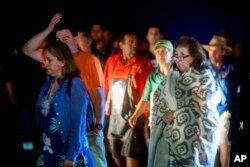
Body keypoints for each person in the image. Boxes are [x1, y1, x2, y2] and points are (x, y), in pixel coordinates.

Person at [22, 13, 107, 167]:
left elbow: (99, 96)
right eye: (58, 40)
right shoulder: (51, 69)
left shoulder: (87, 61)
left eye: (65, 38)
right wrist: (49, 29)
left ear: (76, 39)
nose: (61, 43)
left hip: (84, 130)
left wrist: (99, 126)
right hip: (52, 143)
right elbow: (27, 49)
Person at [148, 36, 221, 167]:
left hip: (196, 138)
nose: (179, 60)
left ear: (194, 56)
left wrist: (175, 115)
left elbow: (202, 106)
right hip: (168, 139)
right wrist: (164, 114)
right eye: (176, 56)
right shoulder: (170, 78)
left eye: (183, 55)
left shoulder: (204, 76)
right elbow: (158, 99)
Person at [34, 40, 94, 167]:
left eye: (49, 60)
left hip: (68, 152)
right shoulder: (47, 83)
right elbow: (27, 49)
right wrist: (49, 28)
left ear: (62, 61)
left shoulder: (74, 84)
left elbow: (78, 124)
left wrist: (71, 156)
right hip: (49, 150)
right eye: (45, 60)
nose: (45, 64)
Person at [104, 32, 154, 167]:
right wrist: (107, 103)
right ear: (121, 45)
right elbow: (108, 84)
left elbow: (149, 92)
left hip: (135, 116)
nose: (134, 46)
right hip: (116, 116)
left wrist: (148, 116)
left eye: (135, 43)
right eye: (130, 42)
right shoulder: (112, 61)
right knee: (115, 153)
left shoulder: (143, 63)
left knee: (131, 152)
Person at [128, 39, 173, 147]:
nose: (160, 54)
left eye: (164, 51)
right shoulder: (152, 77)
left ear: (171, 54)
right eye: (157, 52)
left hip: (175, 124)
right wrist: (135, 116)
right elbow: (145, 100)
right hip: (157, 123)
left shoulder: (178, 75)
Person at [203, 35, 240, 167]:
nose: (212, 53)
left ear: (223, 52)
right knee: (212, 146)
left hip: (225, 110)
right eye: (210, 50)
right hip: (207, 112)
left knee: (224, 143)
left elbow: (238, 90)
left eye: (216, 50)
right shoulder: (203, 68)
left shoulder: (231, 68)